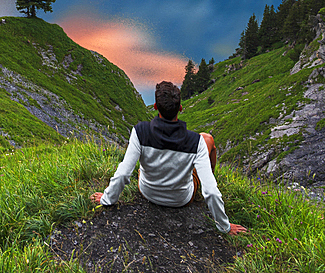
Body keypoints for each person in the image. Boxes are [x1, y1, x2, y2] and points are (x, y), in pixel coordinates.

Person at [90, 80, 247, 235]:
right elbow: (211, 191)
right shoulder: (195, 141)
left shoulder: (140, 131)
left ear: (155, 107)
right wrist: (225, 227)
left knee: (142, 165)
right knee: (208, 139)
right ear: (180, 108)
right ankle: (207, 175)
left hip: (148, 192)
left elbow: (124, 173)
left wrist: (107, 199)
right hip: (182, 199)